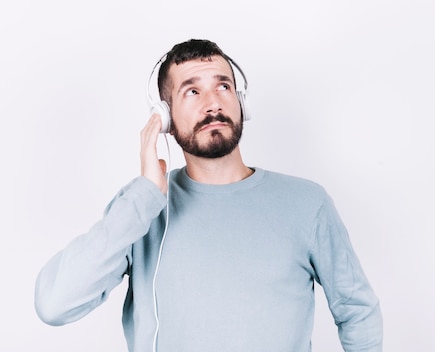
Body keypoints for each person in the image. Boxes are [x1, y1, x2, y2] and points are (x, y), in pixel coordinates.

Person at [34, 39, 383, 352]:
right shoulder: (140, 207)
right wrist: (144, 194)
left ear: (240, 101)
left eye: (223, 86)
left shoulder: (308, 203)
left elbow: (357, 311)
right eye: (192, 91)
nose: (213, 103)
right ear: (165, 116)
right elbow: (55, 304)